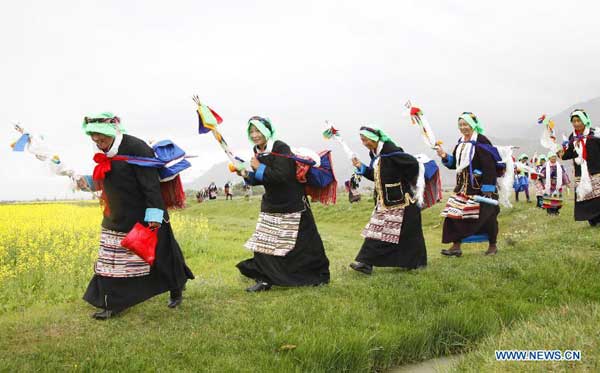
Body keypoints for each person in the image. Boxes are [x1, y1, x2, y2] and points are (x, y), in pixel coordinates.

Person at [78, 113, 194, 319]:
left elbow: (151, 186)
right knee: (110, 261)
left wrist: (154, 216)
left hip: (145, 214)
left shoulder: (137, 148)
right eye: (93, 137)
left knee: (164, 257)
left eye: (100, 136)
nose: (97, 141)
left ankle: (177, 286)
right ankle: (112, 303)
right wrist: (86, 181)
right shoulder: (104, 150)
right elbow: (107, 178)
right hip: (116, 215)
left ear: (111, 132)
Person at [236, 116, 330, 291]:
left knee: (303, 244)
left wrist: (258, 167)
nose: (255, 135)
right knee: (264, 241)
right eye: (252, 132)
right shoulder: (258, 151)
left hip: (293, 204)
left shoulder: (280, 147)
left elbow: (282, 176)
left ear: (268, 131)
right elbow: (264, 179)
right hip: (272, 204)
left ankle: (316, 275)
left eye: (258, 131)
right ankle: (265, 279)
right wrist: (246, 175)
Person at [348, 126, 427, 275]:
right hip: (386, 201)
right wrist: (362, 168)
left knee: (410, 235)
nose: (364, 143)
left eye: (365, 140)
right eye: (362, 140)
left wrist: (407, 182)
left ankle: (416, 263)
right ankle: (366, 263)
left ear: (374, 139)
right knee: (376, 231)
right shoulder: (377, 156)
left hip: (402, 201)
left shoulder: (393, 153)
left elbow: (414, 165)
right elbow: (377, 177)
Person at [435, 112, 500, 256]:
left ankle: (492, 246)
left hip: (481, 189)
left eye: (466, 124)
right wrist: (445, 156)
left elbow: (489, 166)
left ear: (473, 125)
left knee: (488, 217)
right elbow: (455, 165)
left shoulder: (482, 142)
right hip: (462, 188)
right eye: (460, 125)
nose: (463, 128)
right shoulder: (461, 143)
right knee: (453, 215)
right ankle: (456, 246)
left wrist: (488, 188)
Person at [559, 109, 600, 226]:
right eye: (574, 121)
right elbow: (568, 154)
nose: (576, 124)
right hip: (581, 174)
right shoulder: (573, 137)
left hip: (596, 171)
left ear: (585, 120)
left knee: (598, 197)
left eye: (579, 120)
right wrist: (559, 151)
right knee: (586, 197)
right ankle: (592, 220)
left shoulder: (595, 134)